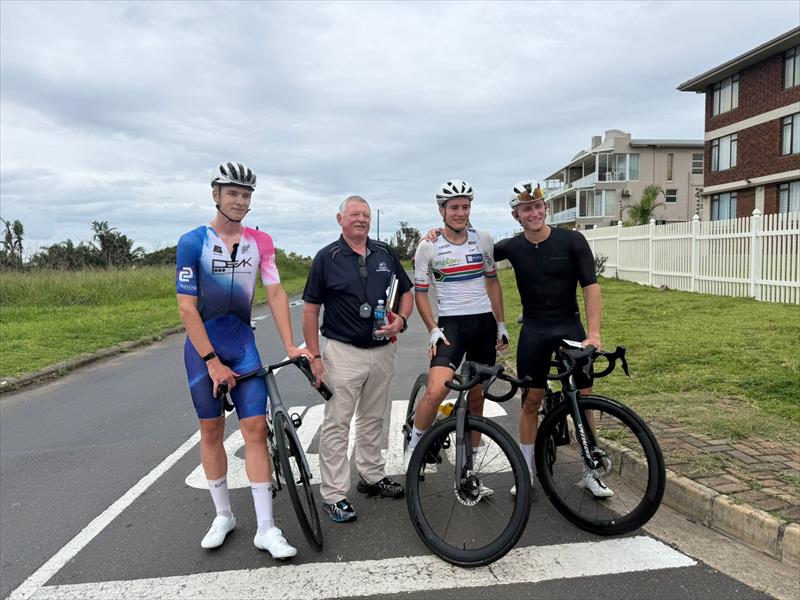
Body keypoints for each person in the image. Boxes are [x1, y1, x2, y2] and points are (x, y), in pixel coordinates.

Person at [176, 162, 311, 559]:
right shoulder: (192, 241)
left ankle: (267, 528)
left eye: (246, 194)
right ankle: (223, 516)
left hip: (242, 344)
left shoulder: (261, 242)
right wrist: (212, 362)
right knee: (212, 430)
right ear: (215, 194)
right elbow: (187, 309)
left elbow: (275, 293)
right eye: (232, 192)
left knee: (254, 429)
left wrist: (291, 345)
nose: (240, 200)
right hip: (204, 350)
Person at [494, 180, 612, 498]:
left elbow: (591, 286)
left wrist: (594, 333)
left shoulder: (572, 241)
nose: (533, 213)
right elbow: (470, 248)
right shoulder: (512, 247)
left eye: (537, 206)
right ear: (516, 215)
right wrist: (435, 236)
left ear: (546, 208)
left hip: (569, 328)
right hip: (534, 331)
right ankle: (527, 472)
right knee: (531, 401)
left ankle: (591, 471)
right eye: (525, 209)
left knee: (583, 398)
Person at [301, 195, 414, 523]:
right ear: (340, 219)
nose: (361, 219)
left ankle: (372, 475)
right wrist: (315, 356)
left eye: (365, 214)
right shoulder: (327, 257)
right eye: (354, 214)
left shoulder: (385, 253)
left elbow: (405, 291)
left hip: (382, 350)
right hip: (342, 352)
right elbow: (310, 310)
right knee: (337, 423)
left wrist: (402, 320)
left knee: (374, 417)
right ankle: (334, 494)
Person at [404, 180, 509, 492]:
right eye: (454, 207)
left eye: (465, 206)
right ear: (442, 211)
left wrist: (501, 324)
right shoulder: (428, 246)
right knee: (436, 390)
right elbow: (420, 294)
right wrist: (432, 330)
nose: (460, 212)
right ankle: (415, 447)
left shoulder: (484, 239)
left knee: (477, 397)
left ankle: (470, 469)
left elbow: (493, 283)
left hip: (483, 325)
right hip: (451, 325)